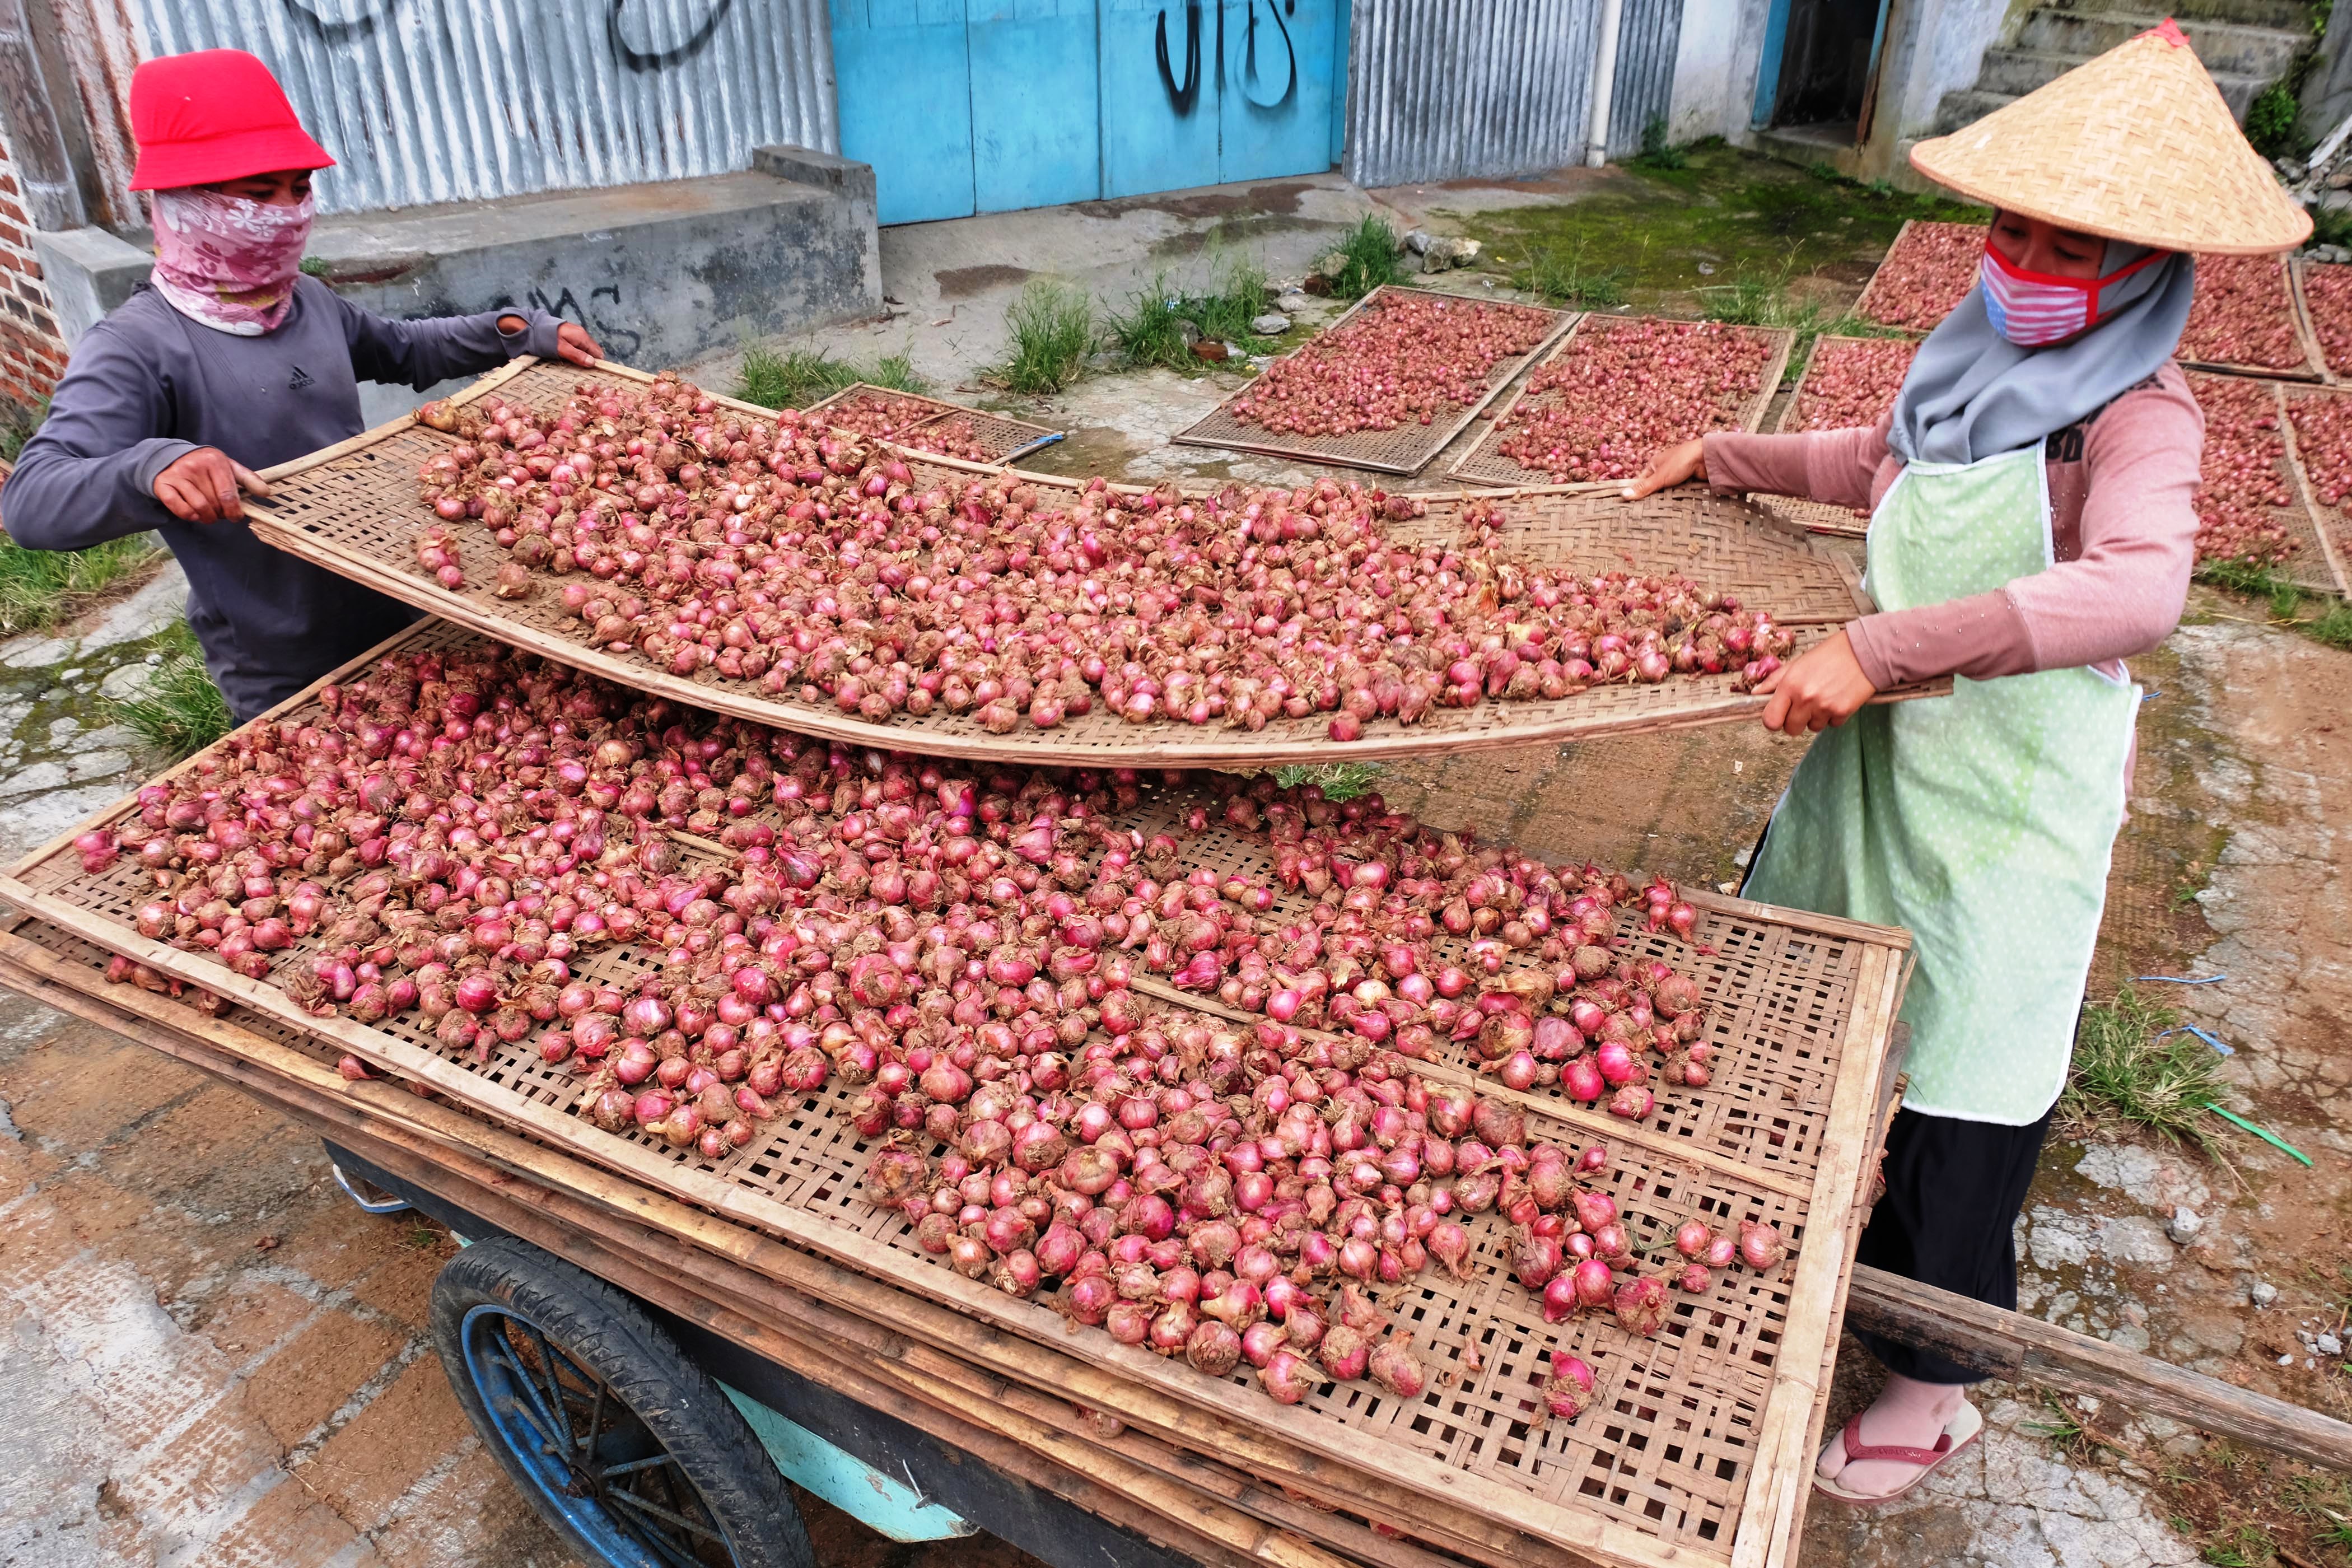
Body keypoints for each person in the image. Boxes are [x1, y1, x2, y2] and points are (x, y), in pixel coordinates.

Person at [1621, 21, 2306, 1504]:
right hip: (1886, 771)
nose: (2026, 258)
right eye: (2011, 225)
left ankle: (1936, 1387)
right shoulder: (1964, 366)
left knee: (1962, 1085)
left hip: (2004, 803)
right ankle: (1807, 1240)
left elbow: (2140, 593)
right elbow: (1873, 464)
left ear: (2146, 270)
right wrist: (1726, 452)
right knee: (1815, 1008)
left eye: (2072, 243)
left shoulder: (2138, 417)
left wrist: (1880, 649)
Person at [0, 48, 606, 722]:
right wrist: (153, 465)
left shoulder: (306, 301)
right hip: (281, 661)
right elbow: (30, 502)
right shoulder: (136, 346)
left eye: (299, 189)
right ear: (176, 204)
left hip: (401, 601)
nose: (286, 212)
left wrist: (513, 331)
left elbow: (402, 349)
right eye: (259, 194)